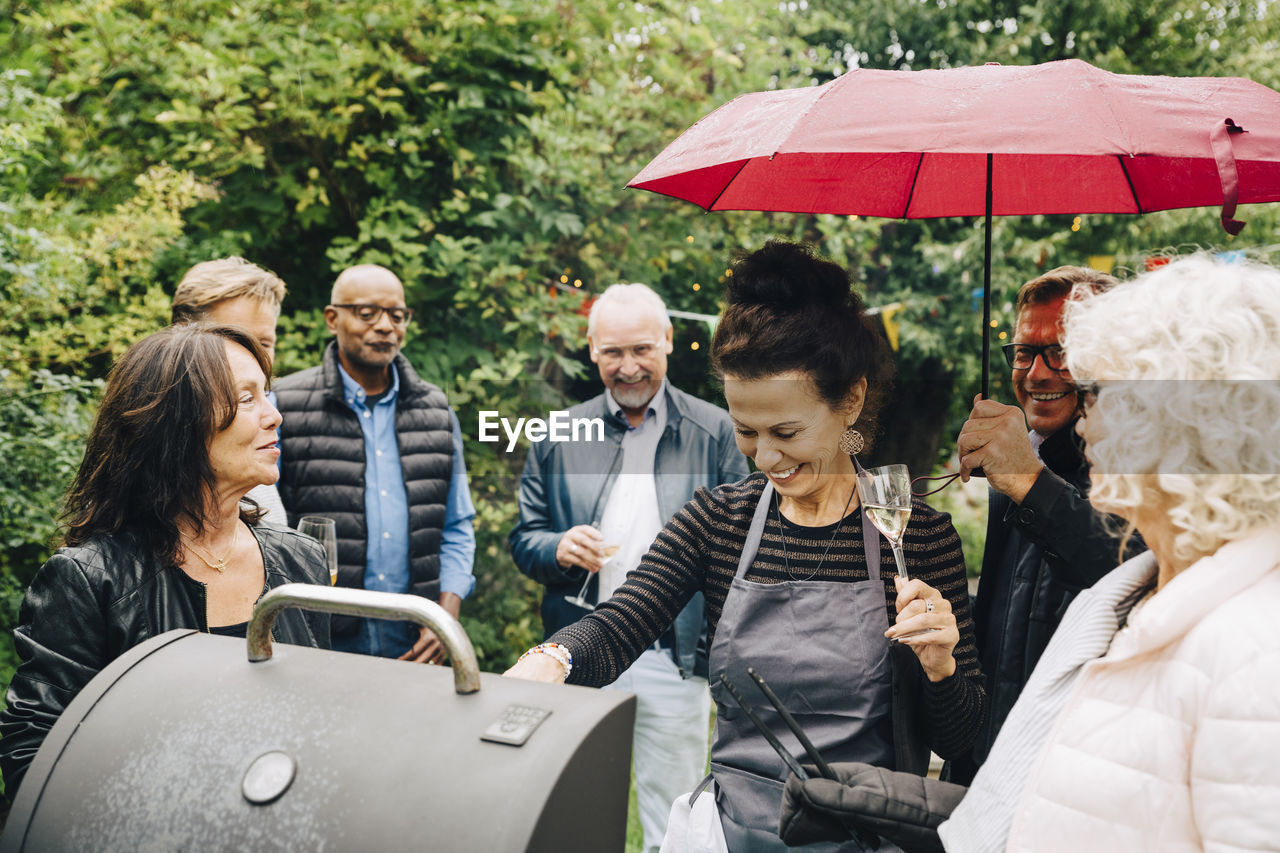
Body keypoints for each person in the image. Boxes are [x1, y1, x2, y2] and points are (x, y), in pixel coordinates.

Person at [780, 254, 1280, 852]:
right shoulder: (1136, 593)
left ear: (1190, 424)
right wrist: (930, 806)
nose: (1089, 421)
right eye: (1026, 353)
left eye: (1106, 394)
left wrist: (1028, 481)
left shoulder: (1253, 653)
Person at [507, 241, 984, 853]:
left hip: (870, 836)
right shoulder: (719, 521)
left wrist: (942, 665)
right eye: (745, 431)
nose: (764, 458)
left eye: (786, 432)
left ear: (852, 401)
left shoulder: (916, 536)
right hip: (733, 836)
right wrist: (552, 659)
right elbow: (618, 625)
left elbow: (964, 737)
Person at [0, 325, 330, 798]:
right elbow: (34, 760)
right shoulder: (92, 580)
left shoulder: (301, 560)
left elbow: (328, 723)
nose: (275, 416)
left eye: (268, 394)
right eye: (247, 398)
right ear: (178, 424)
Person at [509, 282, 750, 853]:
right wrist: (556, 547)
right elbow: (524, 538)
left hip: (675, 654)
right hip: (581, 647)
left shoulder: (717, 429)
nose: (628, 366)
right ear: (591, 351)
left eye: (642, 348)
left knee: (675, 813)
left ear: (668, 341)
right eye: (613, 352)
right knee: (574, 802)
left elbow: (745, 541)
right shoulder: (559, 430)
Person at [947, 266, 1141, 784]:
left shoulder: (1136, 463)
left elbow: (1124, 573)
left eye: (1061, 352)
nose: (1036, 373)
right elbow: (1010, 613)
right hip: (991, 760)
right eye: (1024, 352)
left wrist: (1029, 481)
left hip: (1071, 767)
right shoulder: (1019, 458)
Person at [273, 264, 476, 662]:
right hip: (319, 640)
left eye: (397, 315)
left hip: (416, 640)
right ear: (333, 318)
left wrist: (445, 615)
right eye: (367, 313)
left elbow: (456, 526)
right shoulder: (284, 406)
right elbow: (261, 526)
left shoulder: (436, 411)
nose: (385, 326)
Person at [172, 256, 290, 525]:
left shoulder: (276, 412)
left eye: (264, 342)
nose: (254, 356)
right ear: (182, 339)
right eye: (234, 339)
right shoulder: (144, 440)